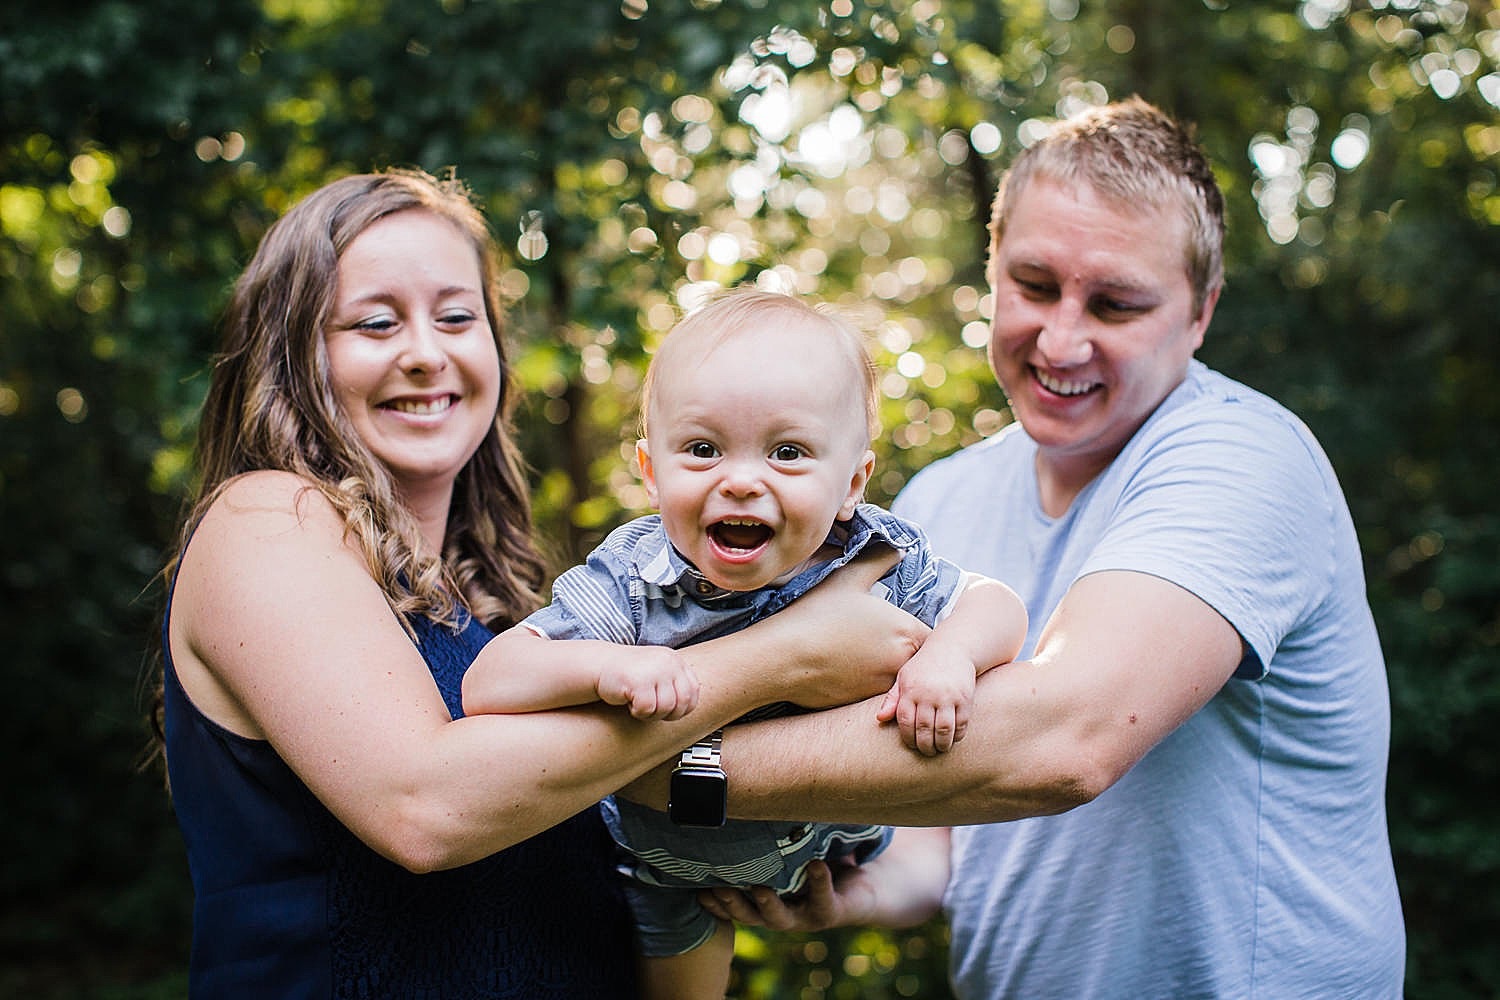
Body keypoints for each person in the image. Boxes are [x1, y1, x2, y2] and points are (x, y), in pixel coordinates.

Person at [666, 97, 1407, 998]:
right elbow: (935, 851)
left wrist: (670, 773)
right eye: (1035, 285)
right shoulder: (940, 499)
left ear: (1202, 312)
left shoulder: (1242, 459)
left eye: (1116, 303)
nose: (1061, 339)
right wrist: (849, 892)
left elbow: (1066, 740)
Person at [151, 169, 927, 998]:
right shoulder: (267, 518)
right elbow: (424, 807)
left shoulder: (510, 618)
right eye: (376, 323)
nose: (426, 353)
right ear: (295, 354)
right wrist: (783, 658)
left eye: (458, 317)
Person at [462, 287, 1027, 1000]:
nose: (740, 480)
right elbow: (490, 683)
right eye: (702, 449)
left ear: (852, 482)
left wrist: (952, 656)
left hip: (838, 853)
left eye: (787, 453)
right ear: (651, 470)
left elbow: (996, 606)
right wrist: (611, 665)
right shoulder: (633, 580)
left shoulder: (871, 559)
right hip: (674, 874)